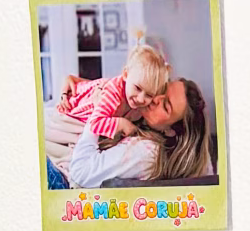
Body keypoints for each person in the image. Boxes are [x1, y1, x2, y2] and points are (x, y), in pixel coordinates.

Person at [48, 67, 214, 195]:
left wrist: (99, 113)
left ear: (171, 131)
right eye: (162, 90)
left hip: (62, 182)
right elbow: (114, 89)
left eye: (165, 106)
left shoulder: (147, 152)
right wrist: (79, 84)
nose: (155, 99)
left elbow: (81, 174)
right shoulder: (142, 114)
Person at [56, 38, 173, 144]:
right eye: (137, 88)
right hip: (71, 105)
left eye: (149, 95)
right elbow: (95, 124)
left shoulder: (138, 100)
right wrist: (122, 124)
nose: (141, 99)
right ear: (125, 75)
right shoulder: (114, 93)